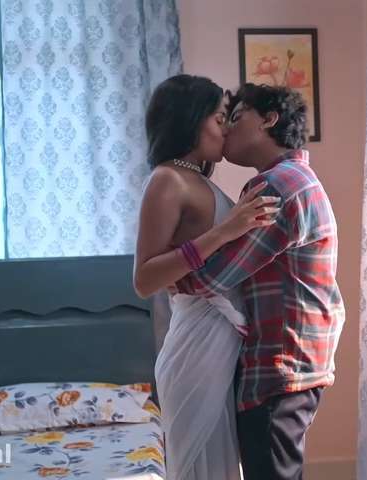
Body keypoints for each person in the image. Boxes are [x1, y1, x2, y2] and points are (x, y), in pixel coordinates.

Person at [174, 83, 345, 480]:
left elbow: (213, 279)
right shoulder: (296, 178)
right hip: (296, 360)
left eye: (236, 118)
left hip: (279, 363)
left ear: (269, 119)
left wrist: (171, 275)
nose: (226, 129)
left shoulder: (276, 186)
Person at [133, 74, 281, 480]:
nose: (226, 128)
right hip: (195, 348)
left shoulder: (196, 180)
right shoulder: (166, 180)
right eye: (219, 119)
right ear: (191, 119)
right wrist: (224, 232)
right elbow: (144, 279)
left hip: (224, 346)